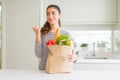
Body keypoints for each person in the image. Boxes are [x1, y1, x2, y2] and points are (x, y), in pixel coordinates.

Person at [32, 4, 77, 70]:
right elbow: (38, 54)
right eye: (48, 14)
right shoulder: (42, 33)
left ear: (59, 15)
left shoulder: (66, 34)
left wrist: (75, 58)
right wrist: (38, 34)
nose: (50, 16)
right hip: (44, 71)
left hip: (60, 71)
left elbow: (73, 55)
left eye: (53, 13)